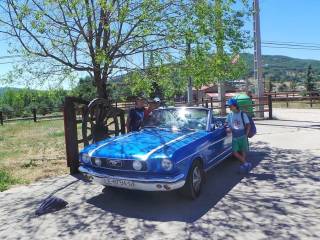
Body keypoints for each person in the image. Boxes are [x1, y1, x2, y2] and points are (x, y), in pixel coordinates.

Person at [225, 98, 252, 173]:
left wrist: (246, 135)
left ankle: (244, 166)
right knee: (234, 152)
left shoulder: (242, 114)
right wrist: (227, 128)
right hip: (235, 137)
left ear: (234, 106)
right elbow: (226, 124)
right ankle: (246, 163)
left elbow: (248, 125)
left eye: (230, 106)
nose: (229, 107)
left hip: (242, 135)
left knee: (243, 151)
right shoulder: (229, 115)